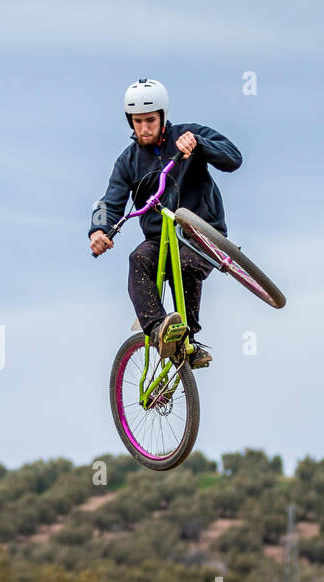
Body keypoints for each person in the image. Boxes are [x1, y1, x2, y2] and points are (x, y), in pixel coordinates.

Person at [89, 78, 243, 368]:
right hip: (161, 239)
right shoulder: (128, 162)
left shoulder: (188, 135)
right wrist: (98, 229)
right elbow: (109, 201)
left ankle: (190, 341)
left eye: (150, 120)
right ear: (130, 121)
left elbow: (234, 158)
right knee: (138, 258)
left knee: (184, 265)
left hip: (201, 232)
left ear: (162, 117)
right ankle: (161, 329)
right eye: (138, 121)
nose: (144, 128)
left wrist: (201, 146)